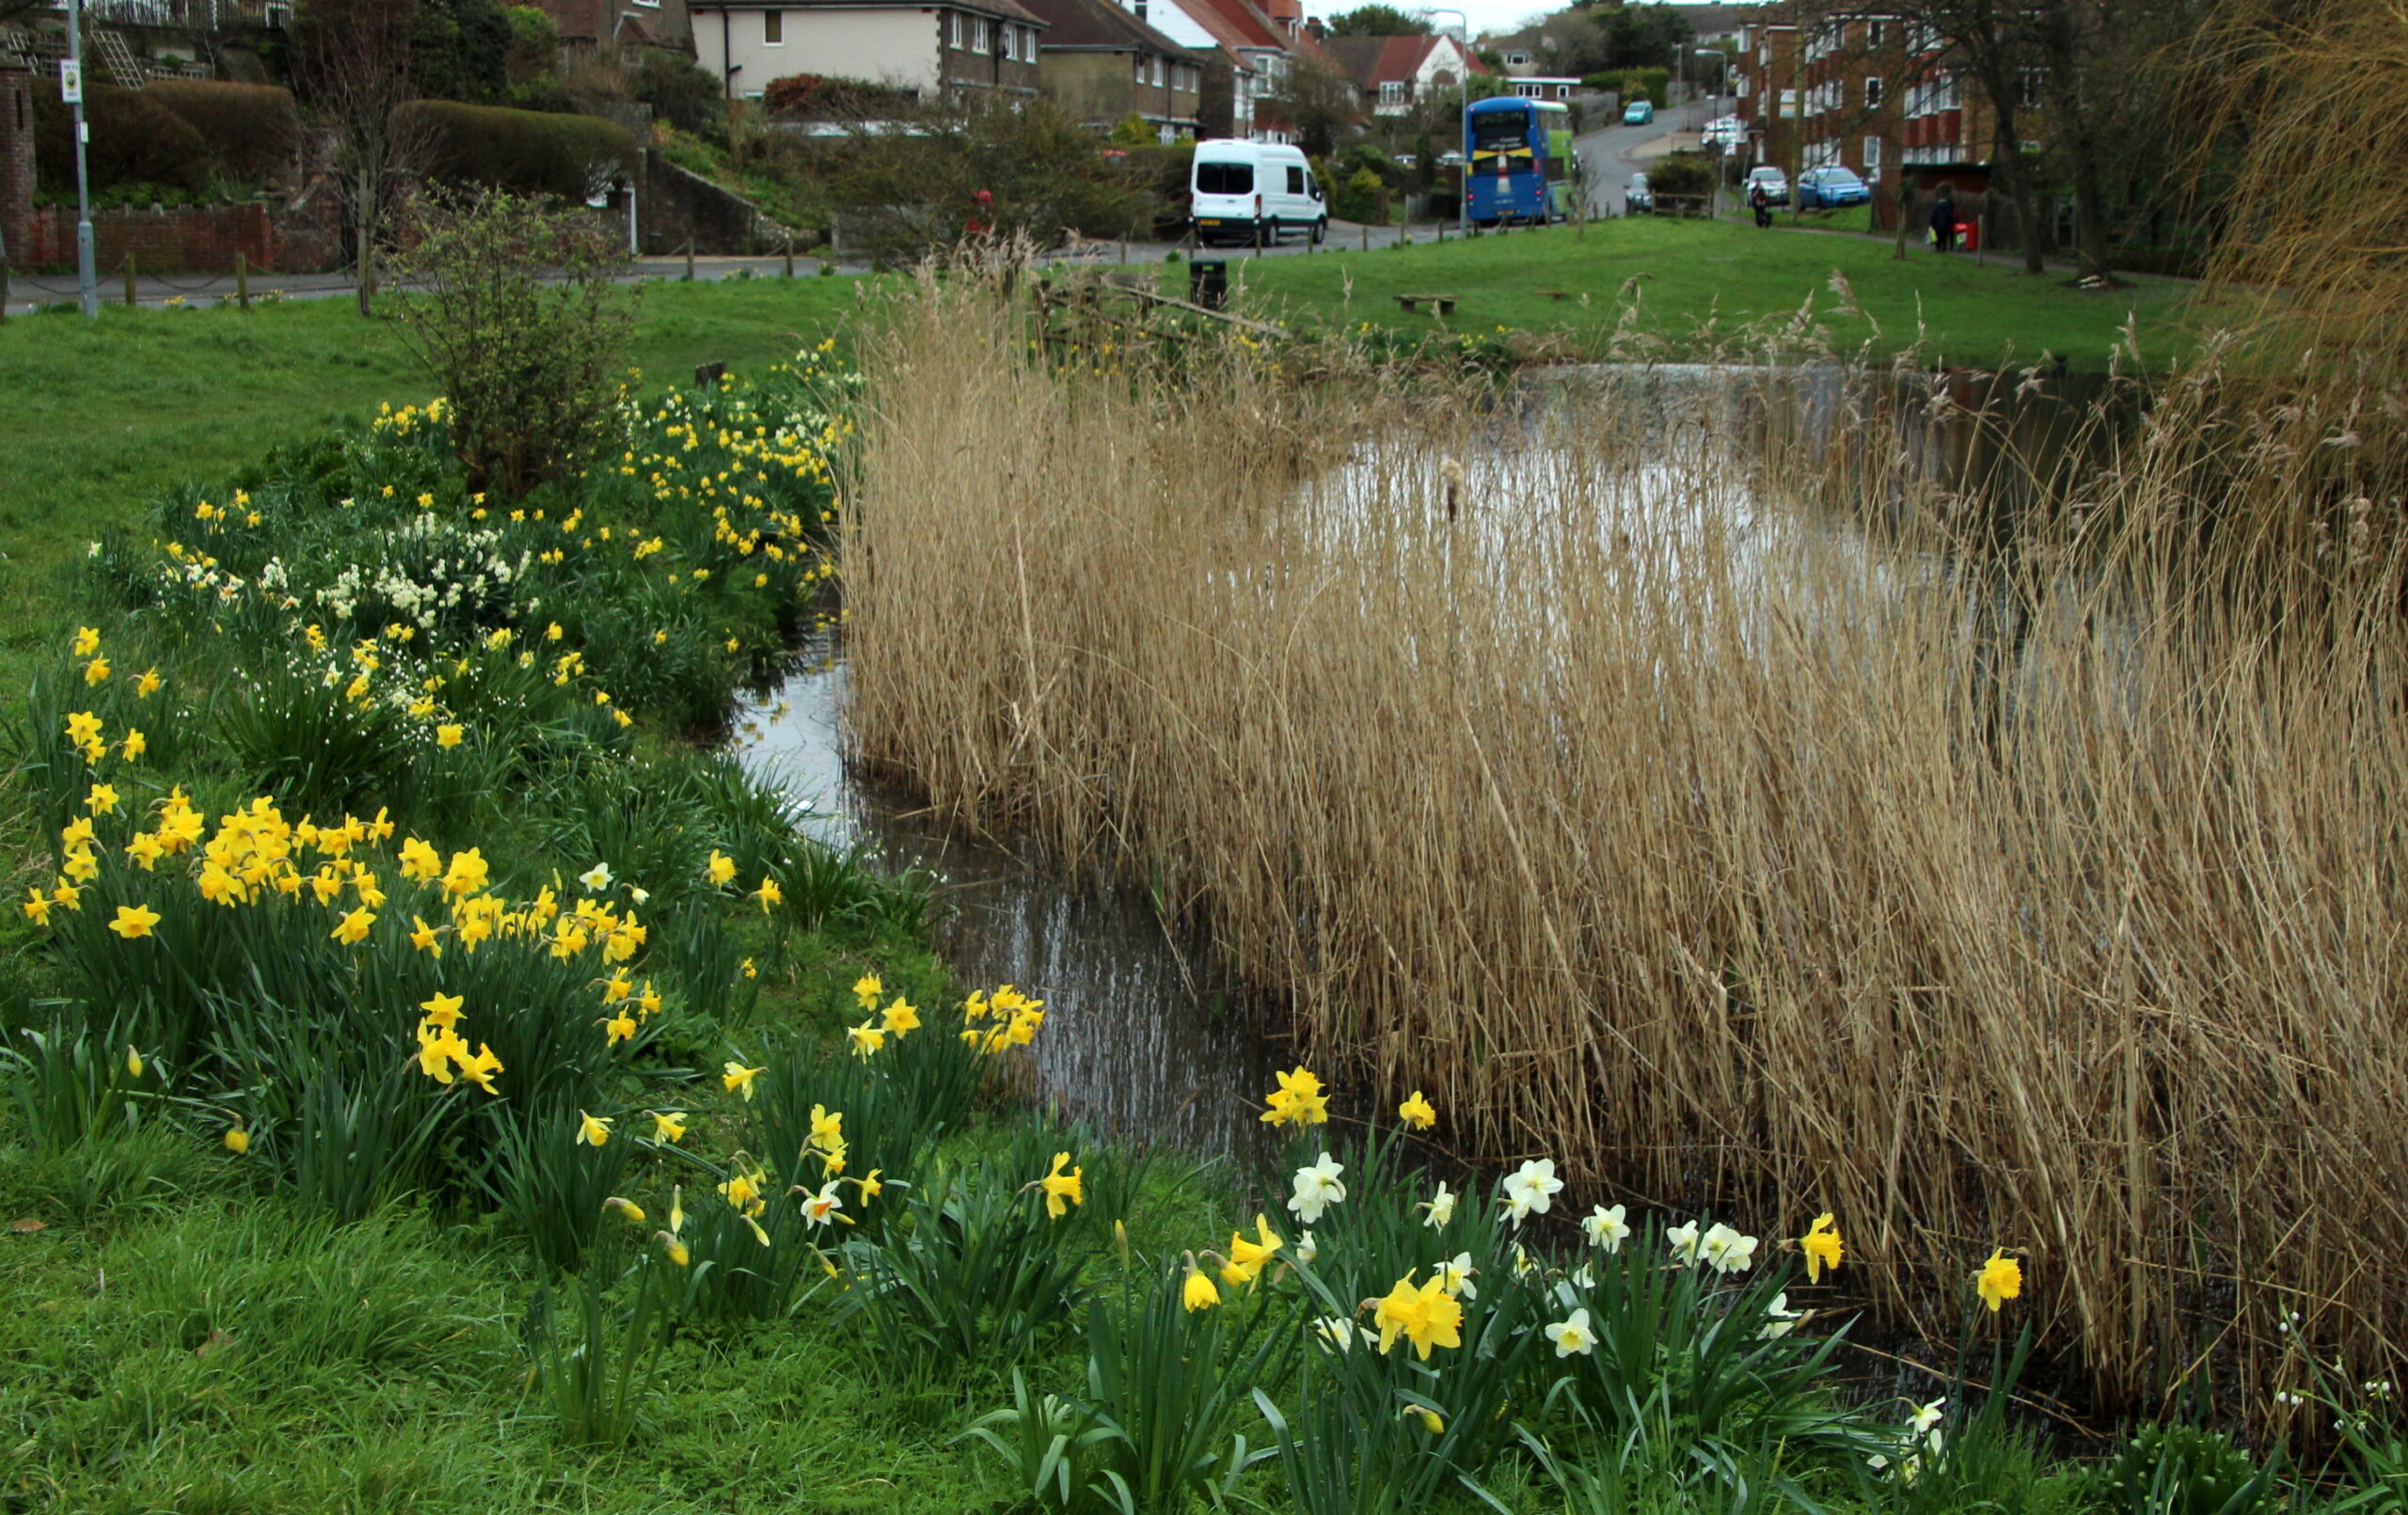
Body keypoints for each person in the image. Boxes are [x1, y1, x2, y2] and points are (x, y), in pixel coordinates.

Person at [1928, 184, 1957, 253]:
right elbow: (1950, 216)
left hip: (1937, 224)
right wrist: (1951, 223)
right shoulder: (1948, 207)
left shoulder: (1936, 206)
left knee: (1937, 235)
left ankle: (1938, 247)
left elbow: (1933, 215)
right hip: (1945, 224)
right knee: (1944, 236)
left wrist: (1931, 223)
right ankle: (1944, 246)